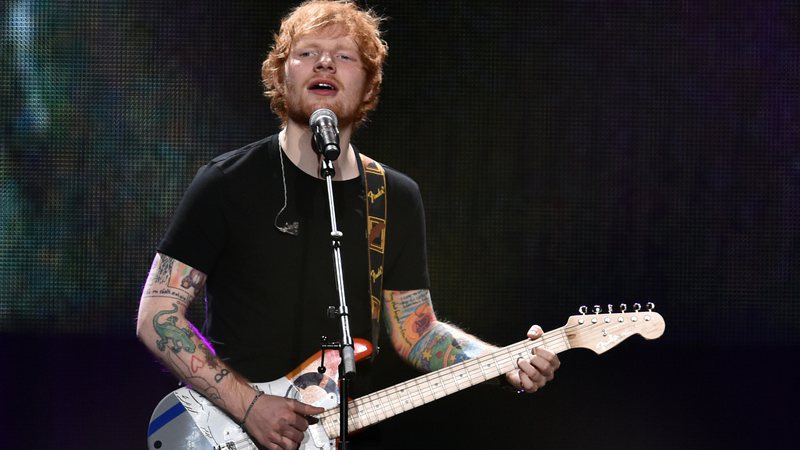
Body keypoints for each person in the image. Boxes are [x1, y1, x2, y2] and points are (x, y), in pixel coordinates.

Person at [136, 1, 560, 449]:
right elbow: (157, 315)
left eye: (344, 55)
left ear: (368, 86)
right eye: (307, 53)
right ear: (281, 76)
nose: (324, 62)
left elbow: (416, 331)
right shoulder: (226, 183)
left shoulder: (393, 196)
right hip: (230, 432)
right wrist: (250, 407)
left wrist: (502, 362)